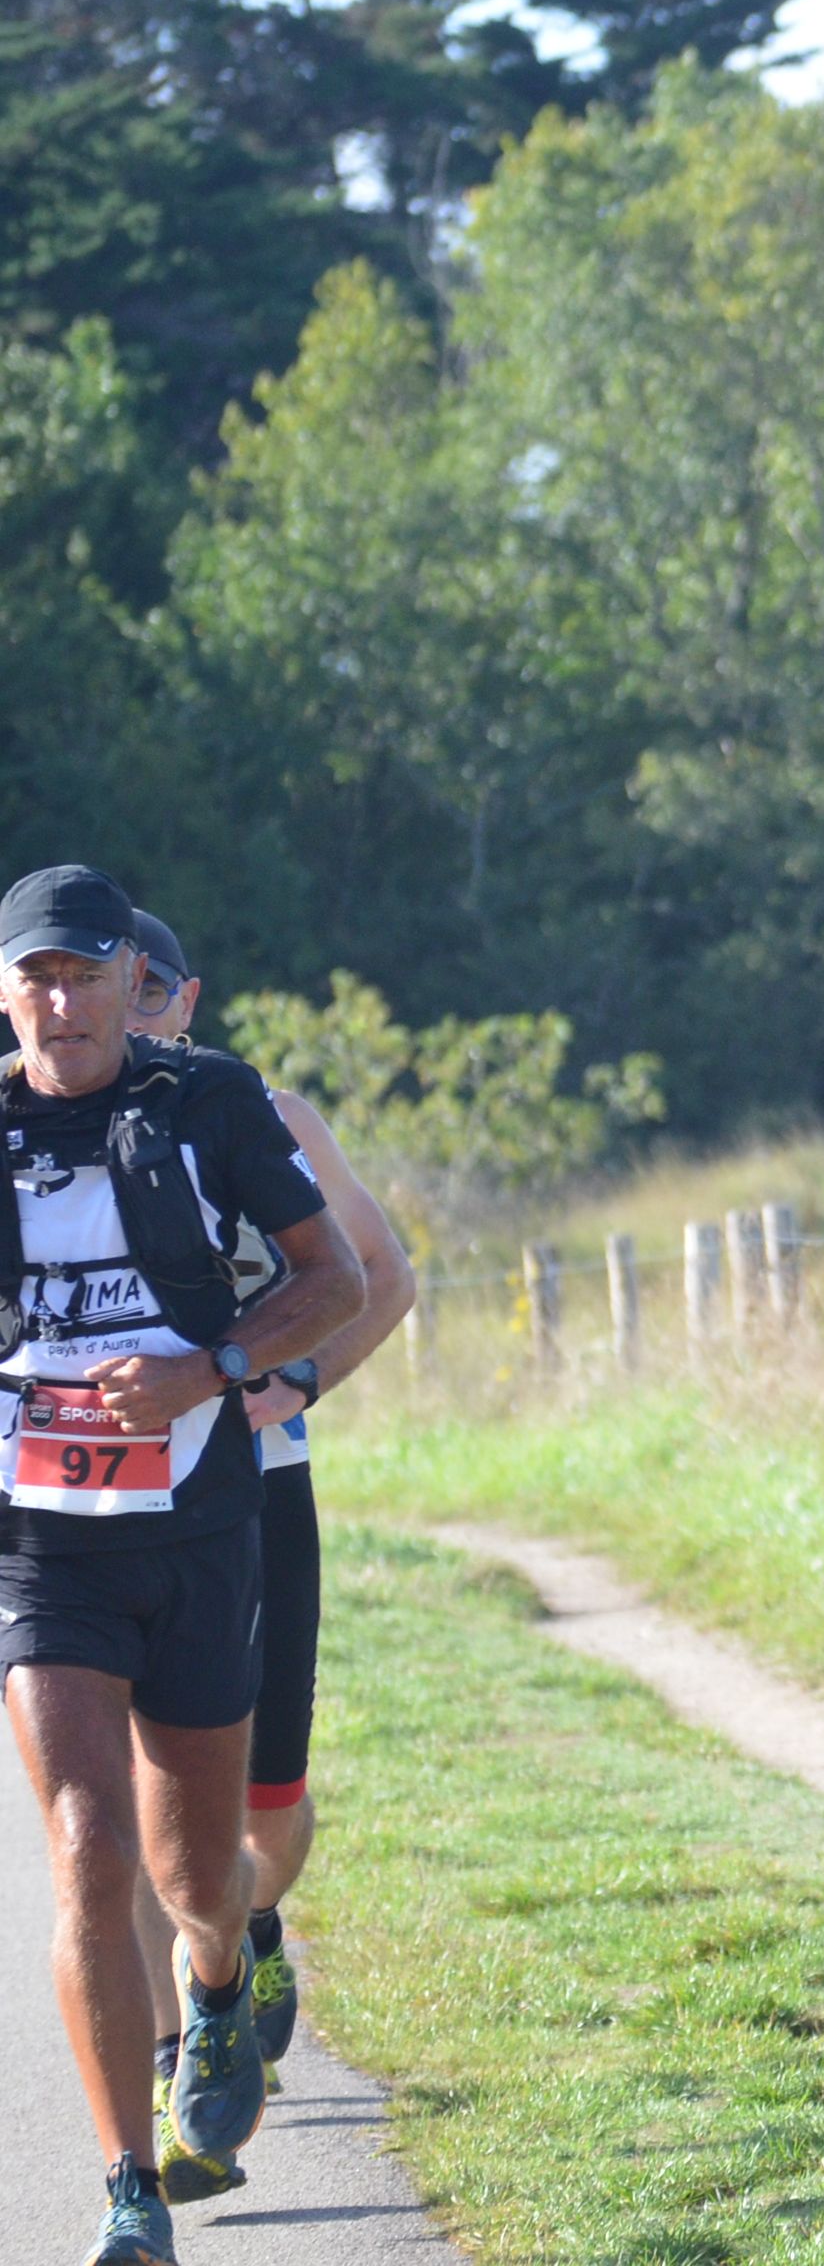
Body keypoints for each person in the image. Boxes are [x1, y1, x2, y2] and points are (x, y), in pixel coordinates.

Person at [0, 865, 364, 2264]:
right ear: (9, 995)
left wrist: (208, 1370)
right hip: (44, 1553)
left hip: (200, 1536)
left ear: (129, 987)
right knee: (87, 1852)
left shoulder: (210, 1104)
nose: (62, 1003)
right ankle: (128, 2188)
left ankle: (218, 1982)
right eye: (36, 978)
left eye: (85, 975)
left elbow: (335, 1281)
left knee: (197, 1876)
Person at [120, 908, 418, 2199]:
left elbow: (383, 1276)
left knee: (265, 1809)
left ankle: (246, 1925)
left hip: (257, 1489)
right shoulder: (36, 1133)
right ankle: (182, 2054)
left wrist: (293, 1381)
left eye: (149, 994)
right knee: (131, 1810)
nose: (123, 1015)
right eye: (102, 987)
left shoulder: (269, 1117)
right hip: (98, 1517)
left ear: (187, 1002)